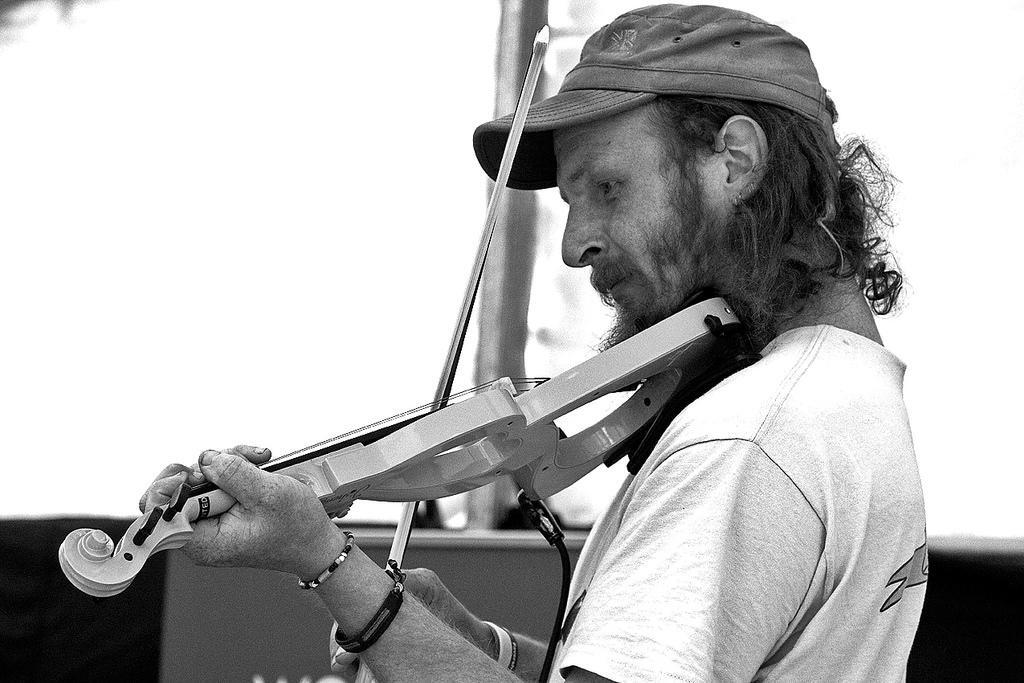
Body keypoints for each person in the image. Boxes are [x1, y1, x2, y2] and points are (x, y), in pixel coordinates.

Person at [142, 5, 926, 681]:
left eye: (608, 189)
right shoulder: (843, 389)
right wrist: (479, 645)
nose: (574, 243)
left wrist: (334, 567)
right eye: (572, 203)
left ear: (736, 160)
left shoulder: (749, 438)